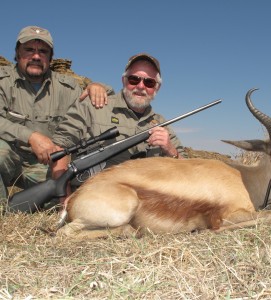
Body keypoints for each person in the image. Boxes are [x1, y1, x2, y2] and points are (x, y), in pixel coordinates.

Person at [0, 25, 114, 201]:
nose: (36, 56)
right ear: (17, 53)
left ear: (50, 57)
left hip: (46, 167)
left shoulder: (69, 87)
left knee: (80, 190)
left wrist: (99, 87)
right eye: (29, 50)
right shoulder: (3, 81)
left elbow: (109, 103)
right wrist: (31, 137)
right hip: (9, 159)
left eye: (43, 51)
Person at [52, 53, 188, 190]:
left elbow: (189, 168)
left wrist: (171, 151)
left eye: (149, 82)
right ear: (123, 80)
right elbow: (60, 145)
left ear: (157, 88)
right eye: (134, 79)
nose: (141, 86)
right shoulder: (93, 105)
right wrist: (64, 197)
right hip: (90, 197)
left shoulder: (161, 123)